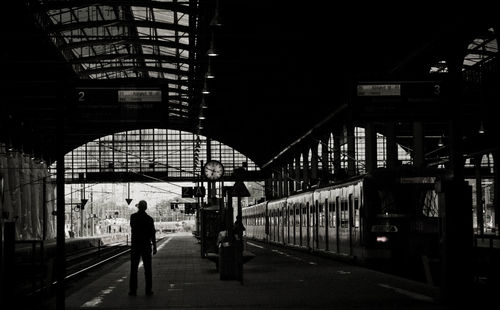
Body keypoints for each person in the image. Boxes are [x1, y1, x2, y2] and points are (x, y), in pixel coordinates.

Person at [129, 200, 157, 296]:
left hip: (135, 245)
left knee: (133, 269)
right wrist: (155, 246)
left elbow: (133, 228)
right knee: (148, 269)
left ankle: (133, 290)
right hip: (146, 245)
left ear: (138, 207)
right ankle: (148, 290)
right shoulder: (149, 219)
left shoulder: (133, 217)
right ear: (146, 208)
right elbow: (152, 233)